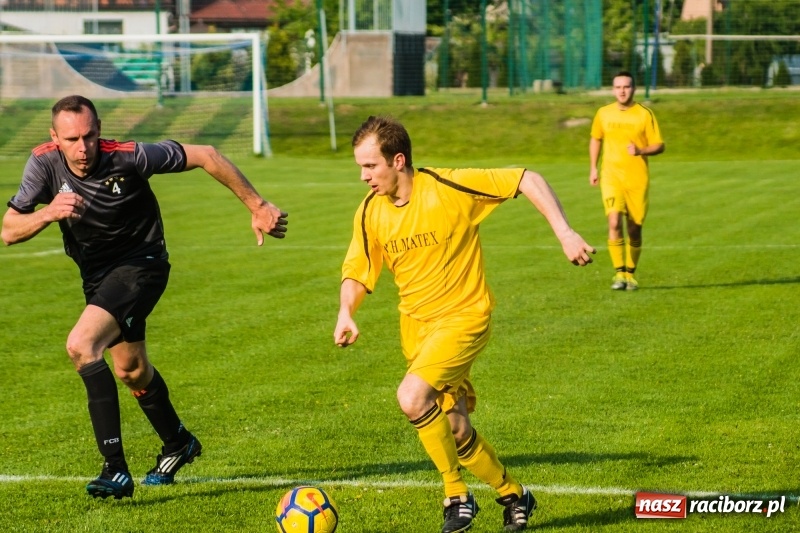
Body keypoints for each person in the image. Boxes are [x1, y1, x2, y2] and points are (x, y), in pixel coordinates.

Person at [1, 95, 288, 500]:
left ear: (100, 130)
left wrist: (257, 205)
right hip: (97, 277)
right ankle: (178, 442)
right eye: (71, 139)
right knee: (131, 370)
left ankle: (115, 470)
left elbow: (206, 154)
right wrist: (48, 213)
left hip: (142, 265)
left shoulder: (129, 156)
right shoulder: (43, 163)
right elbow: (9, 231)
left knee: (82, 345)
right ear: (55, 137)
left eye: (89, 136)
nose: (83, 148)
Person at [333, 116, 595, 533]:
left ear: (398, 160)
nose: (363, 176)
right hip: (416, 330)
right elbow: (358, 270)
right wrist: (346, 310)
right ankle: (514, 494)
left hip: (464, 318)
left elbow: (526, 178)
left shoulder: (448, 186)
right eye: (361, 167)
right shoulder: (370, 211)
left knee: (411, 398)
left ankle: (455, 494)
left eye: (370, 166)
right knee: (455, 429)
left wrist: (564, 232)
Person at [589, 71, 665, 291]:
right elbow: (596, 138)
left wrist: (641, 150)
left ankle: (630, 274)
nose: (622, 91)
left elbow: (659, 145)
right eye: (618, 87)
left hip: (637, 179)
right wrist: (593, 167)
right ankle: (619, 274)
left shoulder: (644, 114)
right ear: (613, 89)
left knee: (634, 228)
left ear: (633, 89)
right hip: (611, 177)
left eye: (626, 87)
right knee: (613, 222)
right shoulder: (603, 113)